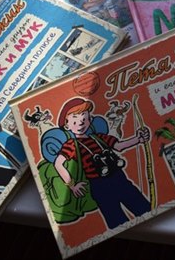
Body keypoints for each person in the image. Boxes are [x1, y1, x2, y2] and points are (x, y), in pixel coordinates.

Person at [53, 97, 151, 230]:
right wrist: (72, 185)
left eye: (84, 118)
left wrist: (138, 139)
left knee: (144, 208)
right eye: (75, 119)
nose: (81, 122)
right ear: (67, 126)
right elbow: (58, 164)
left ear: (90, 119)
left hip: (119, 178)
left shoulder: (99, 137)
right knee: (117, 222)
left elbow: (119, 146)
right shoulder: (71, 145)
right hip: (99, 185)